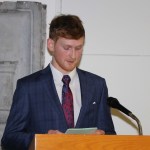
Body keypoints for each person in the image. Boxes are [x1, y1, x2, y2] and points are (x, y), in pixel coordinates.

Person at [1, 14, 116, 150]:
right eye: (67, 48)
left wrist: (102, 137)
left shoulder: (97, 85)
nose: (73, 55)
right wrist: (43, 139)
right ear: (51, 44)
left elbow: (109, 134)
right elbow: (9, 138)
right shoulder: (28, 87)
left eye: (78, 48)